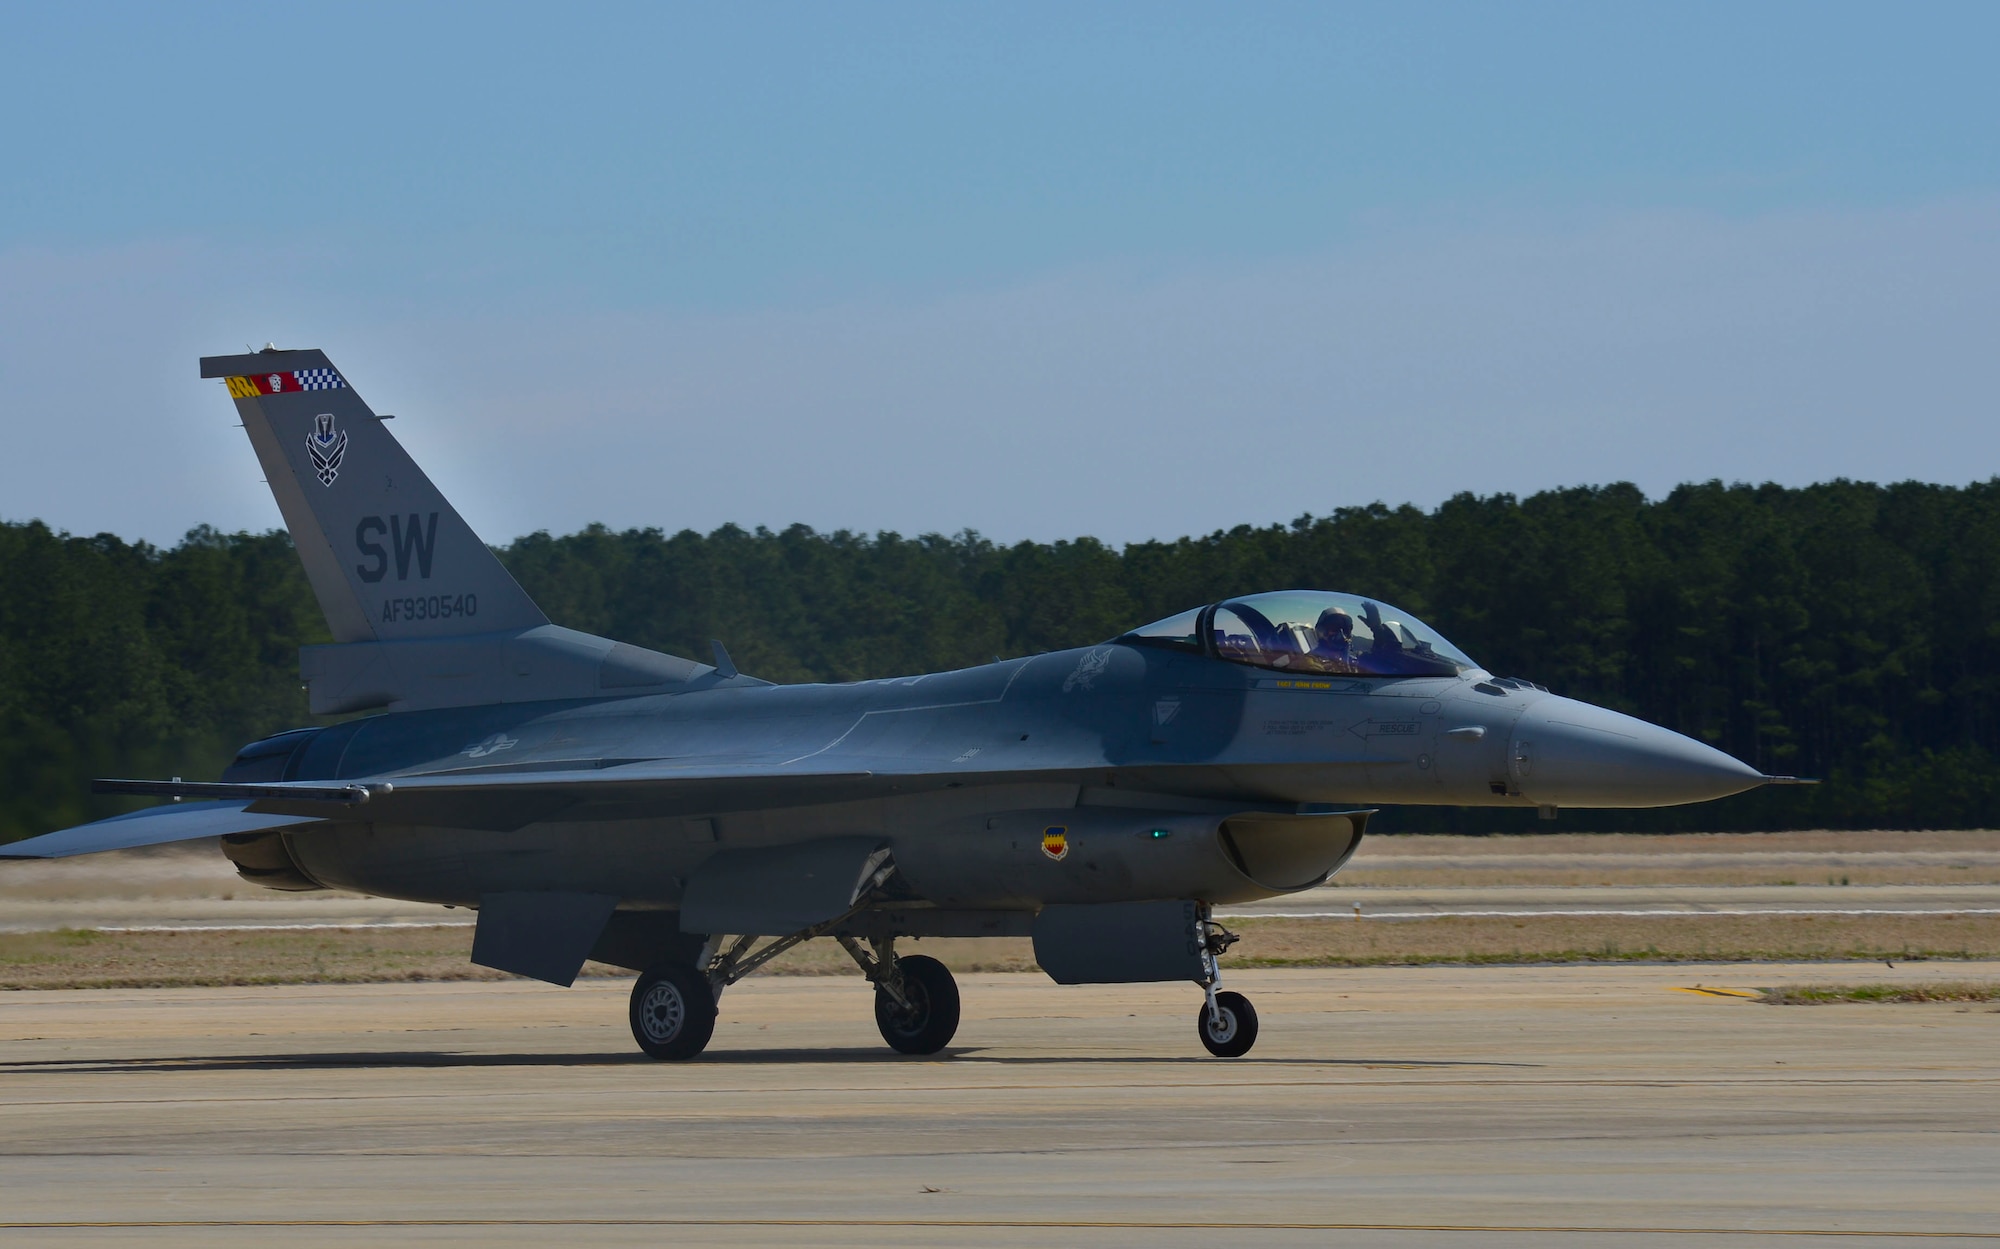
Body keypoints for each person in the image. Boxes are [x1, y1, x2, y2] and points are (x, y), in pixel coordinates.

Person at [1310, 607, 1356, 672]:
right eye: (1334, 628)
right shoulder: (1310, 662)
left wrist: (1375, 629)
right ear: (1322, 631)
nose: (1341, 635)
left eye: (1345, 629)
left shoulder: (1355, 662)